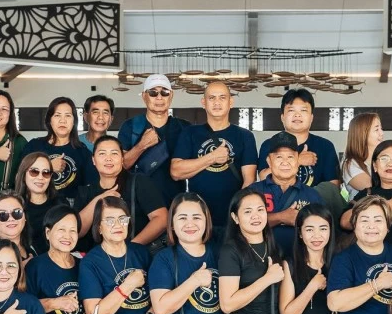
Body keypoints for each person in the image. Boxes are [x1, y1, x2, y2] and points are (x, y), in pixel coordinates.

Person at [171, 80, 258, 236]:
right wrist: (212, 157)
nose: (217, 102)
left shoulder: (245, 136)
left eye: (222, 98)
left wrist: (238, 215)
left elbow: (249, 181)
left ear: (231, 102)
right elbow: (176, 172)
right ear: (203, 103)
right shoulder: (190, 133)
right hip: (198, 217)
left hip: (232, 219)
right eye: (211, 98)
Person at [257, 89, 342, 219]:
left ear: (311, 117)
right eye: (291, 110)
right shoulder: (269, 144)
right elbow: (264, 177)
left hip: (314, 213)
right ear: (282, 117)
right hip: (276, 208)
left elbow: (332, 188)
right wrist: (298, 161)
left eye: (303, 110)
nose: (297, 115)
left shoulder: (325, 146)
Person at [75, 135, 167, 250]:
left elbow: (161, 219)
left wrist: (130, 248)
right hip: (101, 258)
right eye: (102, 154)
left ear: (122, 158)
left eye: (114, 153)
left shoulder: (139, 182)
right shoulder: (85, 192)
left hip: (136, 254)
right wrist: (99, 199)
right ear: (93, 160)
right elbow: (77, 231)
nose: (108, 158)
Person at [118, 74, 186, 203]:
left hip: (175, 202)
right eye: (153, 93)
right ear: (144, 96)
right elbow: (121, 165)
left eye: (164, 92)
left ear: (171, 95)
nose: (159, 97)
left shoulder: (183, 128)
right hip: (138, 202)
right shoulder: (131, 126)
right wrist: (141, 145)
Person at [253, 137, 323, 256]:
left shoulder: (312, 195)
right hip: (259, 259)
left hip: (300, 260)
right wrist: (281, 217)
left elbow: (323, 231)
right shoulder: (253, 191)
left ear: (297, 161)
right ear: (269, 161)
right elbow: (242, 225)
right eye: (279, 157)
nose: (285, 162)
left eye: (290, 157)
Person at [23, 97, 95, 198]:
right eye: (57, 115)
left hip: (71, 205)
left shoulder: (82, 151)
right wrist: (49, 167)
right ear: (49, 120)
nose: (63, 120)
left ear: (74, 121)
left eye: (68, 116)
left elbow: (90, 186)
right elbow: (21, 176)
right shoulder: (33, 146)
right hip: (36, 201)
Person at [15, 151, 63, 254]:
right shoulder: (14, 206)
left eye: (46, 173)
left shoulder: (60, 204)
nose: (40, 177)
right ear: (23, 174)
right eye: (34, 172)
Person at [0, 190, 37, 266]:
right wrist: (20, 268)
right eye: (2, 215)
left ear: (25, 217)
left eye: (17, 213)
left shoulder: (30, 244)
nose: (11, 219)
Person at [339, 112, 380, 197]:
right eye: (376, 130)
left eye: (381, 128)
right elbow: (373, 190)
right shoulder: (350, 164)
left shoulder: (380, 159)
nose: (382, 133)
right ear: (362, 133)